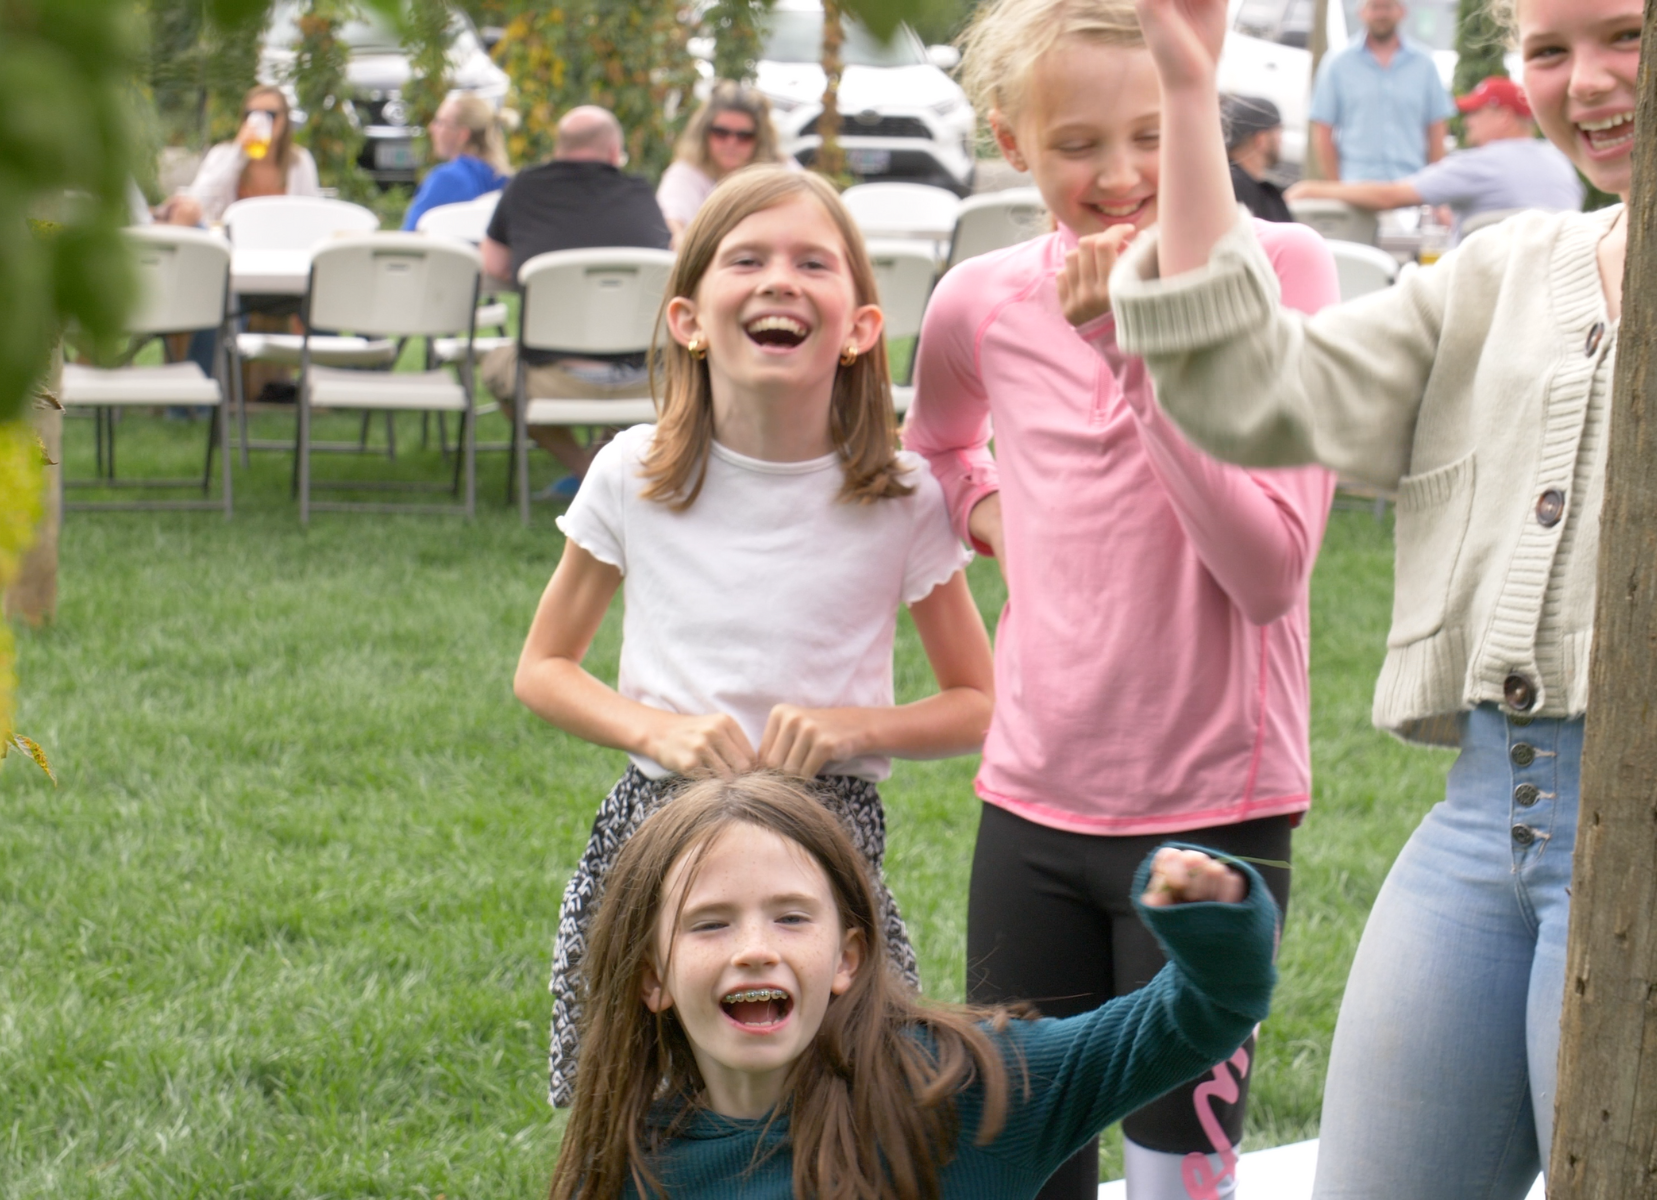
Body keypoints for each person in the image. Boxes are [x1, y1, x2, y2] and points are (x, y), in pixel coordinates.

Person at [1106, 0, 1634, 1194]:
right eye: (1549, 51)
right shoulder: (1501, 276)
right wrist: (1190, 102)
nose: (1588, 81)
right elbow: (1254, 391)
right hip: (1483, 826)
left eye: (1627, 36)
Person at [908, 0, 1338, 1196]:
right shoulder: (980, 302)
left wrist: (1138, 355)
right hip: (1034, 812)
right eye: (1078, 144)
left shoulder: (1282, 271)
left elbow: (1268, 575)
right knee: (1018, 1166)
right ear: (1011, 144)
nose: (1122, 176)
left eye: (1154, 134)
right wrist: (999, 520)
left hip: (1211, 815)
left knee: (1176, 1180)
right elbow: (939, 449)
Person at [513, 166, 997, 1109]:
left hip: (824, 840)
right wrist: (655, 732)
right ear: (689, 318)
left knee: (841, 1094)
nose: (780, 279)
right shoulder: (634, 473)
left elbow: (978, 704)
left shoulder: (902, 497)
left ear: (860, 328)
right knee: (646, 1100)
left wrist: (854, 728)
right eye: (749, 259)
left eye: (813, 262)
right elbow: (543, 668)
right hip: (662, 829)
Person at [548, 772, 1281, 1200]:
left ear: (850, 958)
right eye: (710, 925)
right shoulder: (632, 1167)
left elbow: (1204, 1016)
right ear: (653, 977)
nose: (755, 951)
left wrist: (1215, 924)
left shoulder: (969, 1094)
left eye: (792, 917)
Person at [479, 106, 672, 496]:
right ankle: (603, 473)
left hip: (553, 377)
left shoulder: (524, 187)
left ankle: (586, 471)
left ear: (558, 148)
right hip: (650, 378)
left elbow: (494, 264)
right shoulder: (640, 191)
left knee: (495, 367)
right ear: (614, 151)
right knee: (622, 351)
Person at [1288, 75, 1583, 234]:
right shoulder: (1559, 161)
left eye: (1476, 112)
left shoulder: (1478, 165)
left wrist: (1312, 189)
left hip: (1482, 294)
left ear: (1504, 117)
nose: (1467, 121)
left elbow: (1389, 197)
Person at [1308, 0, 1454, 181]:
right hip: (1356, 185)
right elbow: (1322, 130)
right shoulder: (1337, 63)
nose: (1381, 14)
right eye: (1375, 7)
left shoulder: (1424, 65)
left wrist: (1434, 187)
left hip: (1410, 185)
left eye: (1387, 7)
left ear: (1401, 11)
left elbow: (1437, 129)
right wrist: (1336, 187)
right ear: (1362, 12)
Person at [156, 85, 320, 227]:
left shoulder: (299, 161)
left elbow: (311, 213)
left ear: (284, 120)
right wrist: (238, 152)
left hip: (283, 244)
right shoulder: (223, 155)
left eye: (270, 115)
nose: (262, 121)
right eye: (252, 114)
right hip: (233, 245)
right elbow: (198, 200)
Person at [656, 82, 790, 241]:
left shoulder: (781, 173)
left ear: (760, 139)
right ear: (704, 133)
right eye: (721, 133)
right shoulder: (687, 172)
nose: (731, 143)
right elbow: (670, 223)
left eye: (744, 136)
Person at [402, 92, 510, 232]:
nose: (432, 128)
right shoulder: (506, 182)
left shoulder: (446, 179)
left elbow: (407, 238)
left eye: (440, 122)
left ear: (462, 134)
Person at [1222, 94, 1293, 222]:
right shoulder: (1240, 189)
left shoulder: (1225, 182)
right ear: (1261, 140)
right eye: (1278, 131)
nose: (1281, 140)